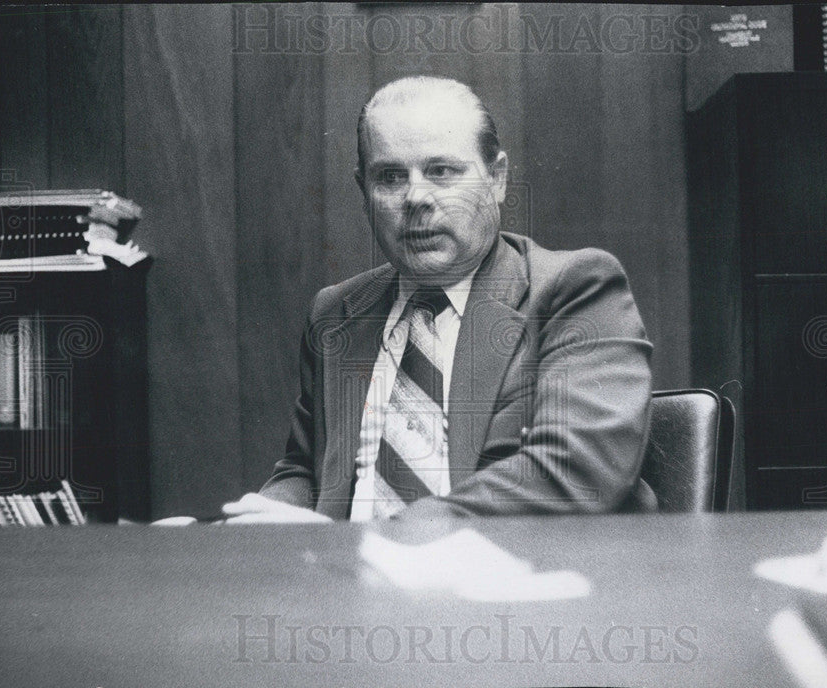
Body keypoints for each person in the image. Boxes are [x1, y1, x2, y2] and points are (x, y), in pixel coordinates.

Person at [221, 75, 654, 523]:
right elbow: (306, 473)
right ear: (364, 193)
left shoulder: (575, 289)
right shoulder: (335, 313)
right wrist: (251, 526)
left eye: (442, 172)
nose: (416, 198)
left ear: (497, 179)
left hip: (515, 579)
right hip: (344, 585)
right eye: (390, 177)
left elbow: (579, 471)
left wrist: (376, 538)